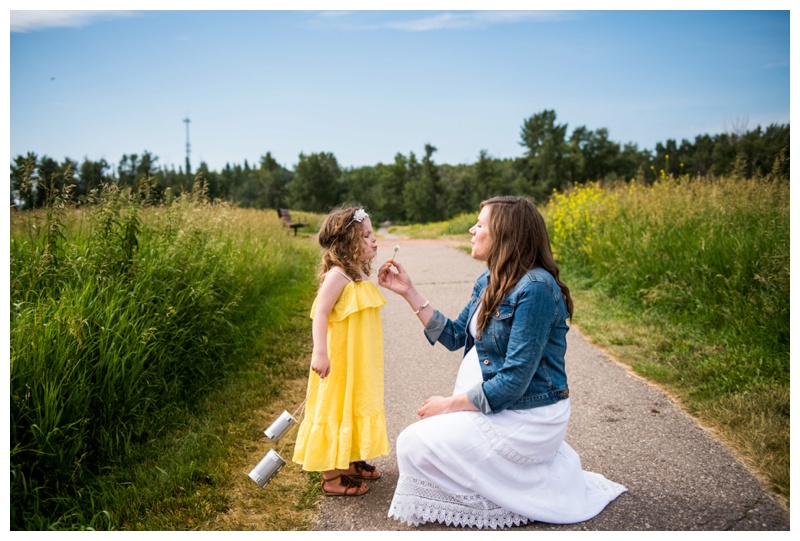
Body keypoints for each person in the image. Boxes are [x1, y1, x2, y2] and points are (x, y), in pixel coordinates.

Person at [377, 195, 626, 527]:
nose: (472, 229)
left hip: (528, 417)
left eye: (480, 224)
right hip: (494, 407)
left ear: (505, 234)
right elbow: (454, 336)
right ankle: (508, 485)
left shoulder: (536, 288)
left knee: (412, 442)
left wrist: (448, 405)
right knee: (416, 445)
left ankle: (508, 497)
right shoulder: (489, 280)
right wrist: (409, 291)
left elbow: (513, 381)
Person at [292, 206, 390, 496]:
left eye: (372, 234)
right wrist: (320, 353)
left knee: (355, 402)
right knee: (335, 405)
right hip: (339, 361)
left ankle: (347, 461)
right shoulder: (338, 275)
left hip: (358, 361)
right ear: (346, 242)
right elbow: (320, 313)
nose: (374, 240)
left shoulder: (356, 273)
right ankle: (331, 477)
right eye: (366, 235)